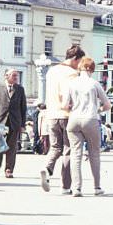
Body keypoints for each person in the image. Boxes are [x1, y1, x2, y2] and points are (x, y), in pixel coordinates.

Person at [63, 57, 111, 197]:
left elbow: (65, 106)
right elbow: (107, 105)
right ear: (91, 69)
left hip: (74, 120)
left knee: (75, 154)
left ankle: (76, 188)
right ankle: (97, 187)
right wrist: (98, 110)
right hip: (90, 119)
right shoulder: (94, 84)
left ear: (80, 68)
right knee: (94, 154)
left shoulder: (72, 83)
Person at [40, 44, 84, 194]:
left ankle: (47, 168)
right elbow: (68, 95)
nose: (80, 65)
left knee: (55, 147)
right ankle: (65, 187)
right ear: (74, 59)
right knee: (68, 150)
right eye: (79, 62)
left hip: (51, 115)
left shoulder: (51, 71)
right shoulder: (72, 74)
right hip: (66, 115)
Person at [0, 68, 26, 179]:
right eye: (14, 75)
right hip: (0, 121)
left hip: (14, 122)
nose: (16, 78)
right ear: (6, 76)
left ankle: (9, 169)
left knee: (12, 147)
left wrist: (22, 125)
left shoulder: (20, 89)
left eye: (17, 76)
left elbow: (23, 108)